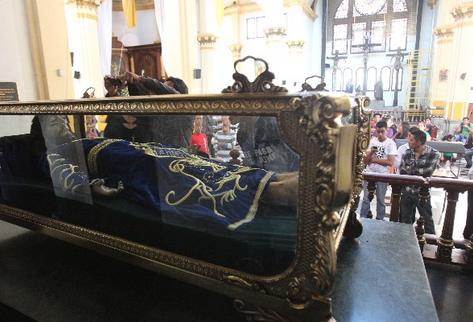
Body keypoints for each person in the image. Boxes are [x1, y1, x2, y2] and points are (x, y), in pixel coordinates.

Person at [46, 138, 298, 232]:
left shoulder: (83, 138)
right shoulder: (55, 151)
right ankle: (287, 192)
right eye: (56, 125)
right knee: (206, 183)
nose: (63, 127)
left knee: (217, 168)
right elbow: (60, 172)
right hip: (138, 166)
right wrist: (89, 186)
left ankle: (287, 180)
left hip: (152, 152)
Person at [399, 128, 440, 234]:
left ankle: (431, 244)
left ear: (419, 142)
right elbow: (402, 171)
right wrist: (415, 173)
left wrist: (411, 171)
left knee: (427, 219)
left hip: (422, 192)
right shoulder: (407, 153)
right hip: (407, 190)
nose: (408, 141)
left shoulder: (433, 154)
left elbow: (427, 172)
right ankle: (406, 240)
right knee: (405, 219)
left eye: (411, 140)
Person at [360, 121, 397, 220]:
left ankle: (380, 219)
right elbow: (365, 161)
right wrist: (371, 152)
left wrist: (375, 160)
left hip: (382, 174)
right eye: (378, 132)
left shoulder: (390, 143)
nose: (380, 134)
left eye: (382, 132)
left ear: (387, 130)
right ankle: (363, 218)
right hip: (369, 172)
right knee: (366, 198)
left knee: (380, 199)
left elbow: (390, 162)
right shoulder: (372, 141)